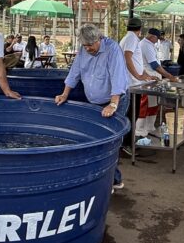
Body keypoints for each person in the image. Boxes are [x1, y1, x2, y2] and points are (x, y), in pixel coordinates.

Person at [55, 24, 129, 190]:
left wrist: (113, 104)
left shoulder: (112, 49)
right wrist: (64, 94)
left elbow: (118, 78)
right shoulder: (83, 50)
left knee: (109, 141)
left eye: (91, 45)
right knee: (95, 139)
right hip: (94, 101)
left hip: (115, 100)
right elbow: (74, 72)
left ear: (99, 39)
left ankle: (109, 181)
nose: (88, 49)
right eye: (84, 45)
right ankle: (111, 178)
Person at [119, 17, 157, 140]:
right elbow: (127, 57)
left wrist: (145, 74)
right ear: (140, 29)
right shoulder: (131, 38)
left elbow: (136, 61)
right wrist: (137, 75)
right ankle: (128, 143)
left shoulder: (129, 38)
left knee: (132, 114)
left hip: (134, 82)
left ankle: (129, 141)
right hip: (132, 83)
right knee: (131, 115)